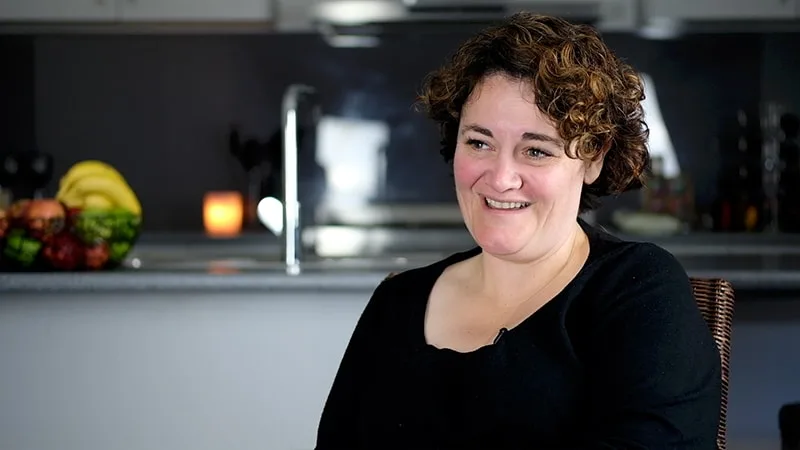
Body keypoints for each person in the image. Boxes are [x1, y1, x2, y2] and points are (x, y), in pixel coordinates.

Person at [315, 12, 722, 450]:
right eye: (479, 143)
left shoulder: (638, 291)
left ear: (594, 158)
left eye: (535, 150)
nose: (501, 177)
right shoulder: (395, 305)